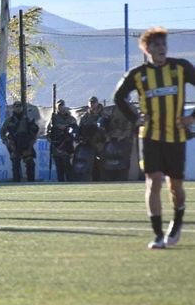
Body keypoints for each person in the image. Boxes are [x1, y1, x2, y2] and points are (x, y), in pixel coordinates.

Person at [113, 26, 195, 249]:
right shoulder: (137, 74)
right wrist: (135, 118)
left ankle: (177, 220)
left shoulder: (181, 67)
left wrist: (192, 118)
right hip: (149, 136)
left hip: (176, 136)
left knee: (175, 187)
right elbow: (119, 97)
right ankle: (158, 235)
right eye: (156, 45)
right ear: (146, 48)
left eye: (163, 44)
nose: (161, 48)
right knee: (153, 180)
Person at [1, 101, 39, 182]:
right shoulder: (9, 120)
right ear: (13, 108)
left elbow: (34, 131)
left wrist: (32, 141)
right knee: (15, 163)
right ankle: (16, 183)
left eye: (20, 107)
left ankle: (31, 182)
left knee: (30, 163)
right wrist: (6, 142)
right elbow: (2, 132)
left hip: (26, 145)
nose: (18, 108)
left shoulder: (27, 119)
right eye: (16, 107)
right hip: (14, 145)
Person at [47, 99, 77, 182]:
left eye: (62, 105)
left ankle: (70, 183)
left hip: (67, 146)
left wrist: (66, 127)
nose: (61, 107)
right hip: (57, 146)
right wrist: (53, 140)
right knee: (59, 168)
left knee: (67, 166)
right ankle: (61, 184)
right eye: (59, 106)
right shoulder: (53, 119)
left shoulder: (71, 118)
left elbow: (75, 130)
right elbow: (48, 132)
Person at [77, 95, 106, 180]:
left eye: (93, 102)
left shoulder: (103, 114)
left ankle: (102, 179)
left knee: (101, 162)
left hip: (100, 142)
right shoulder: (85, 116)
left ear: (97, 103)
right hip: (88, 143)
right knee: (90, 163)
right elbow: (80, 128)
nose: (92, 104)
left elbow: (107, 127)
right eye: (90, 103)